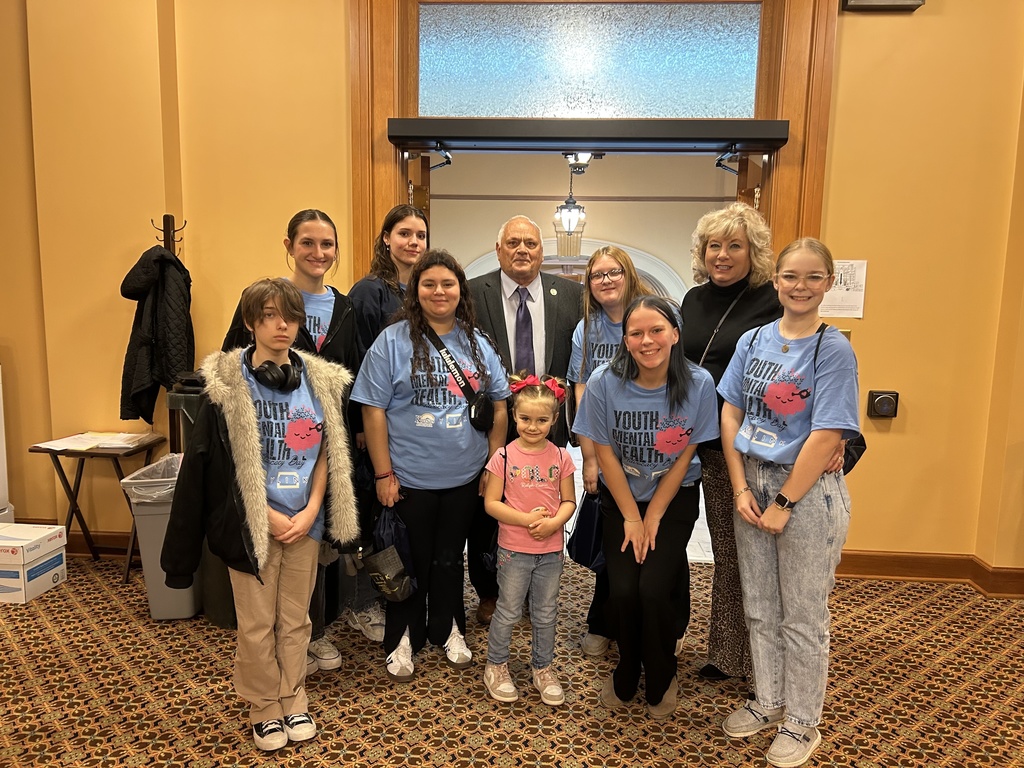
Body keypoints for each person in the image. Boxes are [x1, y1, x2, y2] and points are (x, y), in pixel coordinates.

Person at [161, 278, 358, 752]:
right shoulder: (227, 386)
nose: (281, 325)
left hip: (304, 523)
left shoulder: (320, 381)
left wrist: (312, 509)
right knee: (255, 623)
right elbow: (215, 467)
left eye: (289, 316)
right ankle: (263, 706)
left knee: (297, 620)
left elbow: (329, 452)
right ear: (250, 323)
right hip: (252, 525)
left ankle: (294, 697)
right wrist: (267, 515)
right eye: (268, 315)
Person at [718, 238, 859, 768]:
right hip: (751, 480)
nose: (801, 287)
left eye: (813, 277)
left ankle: (803, 722)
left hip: (804, 491)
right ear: (775, 282)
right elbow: (730, 412)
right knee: (759, 604)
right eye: (791, 277)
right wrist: (739, 487)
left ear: (828, 283)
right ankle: (769, 699)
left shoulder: (833, 347)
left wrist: (783, 501)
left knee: (802, 614)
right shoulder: (753, 340)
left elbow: (827, 434)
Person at [222, 209, 372, 676]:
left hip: (325, 448)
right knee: (271, 566)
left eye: (328, 244)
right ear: (288, 245)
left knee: (318, 543)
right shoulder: (262, 305)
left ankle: (314, 631)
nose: (319, 253)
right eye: (308, 243)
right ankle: (283, 658)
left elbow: (358, 374)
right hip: (266, 454)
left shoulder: (346, 308)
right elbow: (231, 368)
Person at [352, 249, 510, 683]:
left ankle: (449, 627)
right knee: (409, 558)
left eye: (448, 284)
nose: (439, 292)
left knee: (447, 558)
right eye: (429, 284)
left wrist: (493, 465)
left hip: (464, 476)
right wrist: (383, 474)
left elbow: (500, 404)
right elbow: (374, 411)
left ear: (461, 290)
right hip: (408, 479)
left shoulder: (477, 342)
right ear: (415, 291)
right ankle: (403, 636)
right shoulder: (392, 341)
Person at [574, 296, 719, 720]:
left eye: (656, 330)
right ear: (625, 340)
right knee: (621, 589)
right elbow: (605, 456)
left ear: (675, 333)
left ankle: (661, 672)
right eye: (635, 333)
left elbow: (685, 456)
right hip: (621, 498)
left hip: (673, 498)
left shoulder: (698, 384)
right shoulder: (604, 381)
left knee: (653, 589)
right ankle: (627, 666)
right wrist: (633, 517)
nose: (646, 340)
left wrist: (653, 515)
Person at [679, 202, 782, 682]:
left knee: (748, 551)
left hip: (748, 445)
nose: (722, 255)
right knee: (723, 549)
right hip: (694, 442)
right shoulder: (693, 301)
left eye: (734, 245)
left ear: (753, 251)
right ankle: (727, 650)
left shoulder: (772, 300)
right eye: (713, 245)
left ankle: (753, 655)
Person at [467, 215, 584, 624]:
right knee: (491, 503)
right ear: (498, 250)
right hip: (494, 421)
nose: (522, 250)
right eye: (513, 242)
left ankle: (537, 588)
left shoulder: (572, 295)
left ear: (542, 252)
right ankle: (490, 592)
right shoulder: (471, 293)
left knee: (543, 499)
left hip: (547, 425)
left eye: (531, 244)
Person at [567, 246, 653, 657]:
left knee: (659, 542)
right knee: (613, 540)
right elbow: (581, 390)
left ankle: (661, 627)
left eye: (613, 272)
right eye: (596, 275)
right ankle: (603, 622)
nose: (605, 280)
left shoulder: (656, 314)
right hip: (606, 450)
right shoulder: (587, 328)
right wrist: (589, 457)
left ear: (627, 273)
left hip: (652, 451)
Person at [482, 373, 577, 707]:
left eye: (541, 420)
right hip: (513, 551)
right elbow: (491, 503)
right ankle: (496, 665)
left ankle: (543, 666)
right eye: (525, 419)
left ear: (553, 420)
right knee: (507, 610)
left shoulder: (561, 458)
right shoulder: (503, 457)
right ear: (514, 416)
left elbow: (569, 501)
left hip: (550, 551)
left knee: (546, 611)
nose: (532, 426)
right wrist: (526, 520)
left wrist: (554, 524)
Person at [348, 204, 429, 353]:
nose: (414, 242)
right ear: (386, 238)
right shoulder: (368, 291)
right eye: (404, 234)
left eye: (421, 236)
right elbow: (357, 355)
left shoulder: (427, 294)